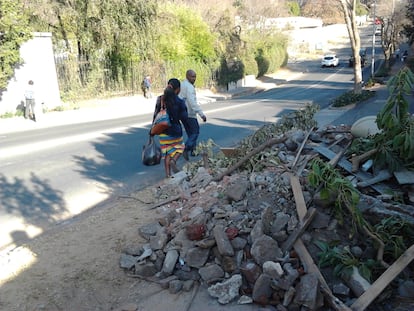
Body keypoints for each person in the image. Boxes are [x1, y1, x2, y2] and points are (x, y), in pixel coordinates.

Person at [152, 78, 187, 178]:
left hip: (163, 131)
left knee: (167, 153)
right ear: (178, 89)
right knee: (181, 147)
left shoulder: (160, 99)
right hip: (175, 131)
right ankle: (174, 160)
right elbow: (184, 117)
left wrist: (152, 131)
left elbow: (155, 116)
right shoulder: (180, 101)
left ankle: (168, 175)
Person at [178, 69, 207, 161]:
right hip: (190, 113)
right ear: (187, 76)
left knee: (190, 133)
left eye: (195, 77)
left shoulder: (182, 85)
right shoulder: (190, 87)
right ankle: (186, 148)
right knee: (195, 132)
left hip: (182, 113)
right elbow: (192, 102)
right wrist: (201, 114)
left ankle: (193, 151)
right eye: (192, 76)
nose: (194, 79)